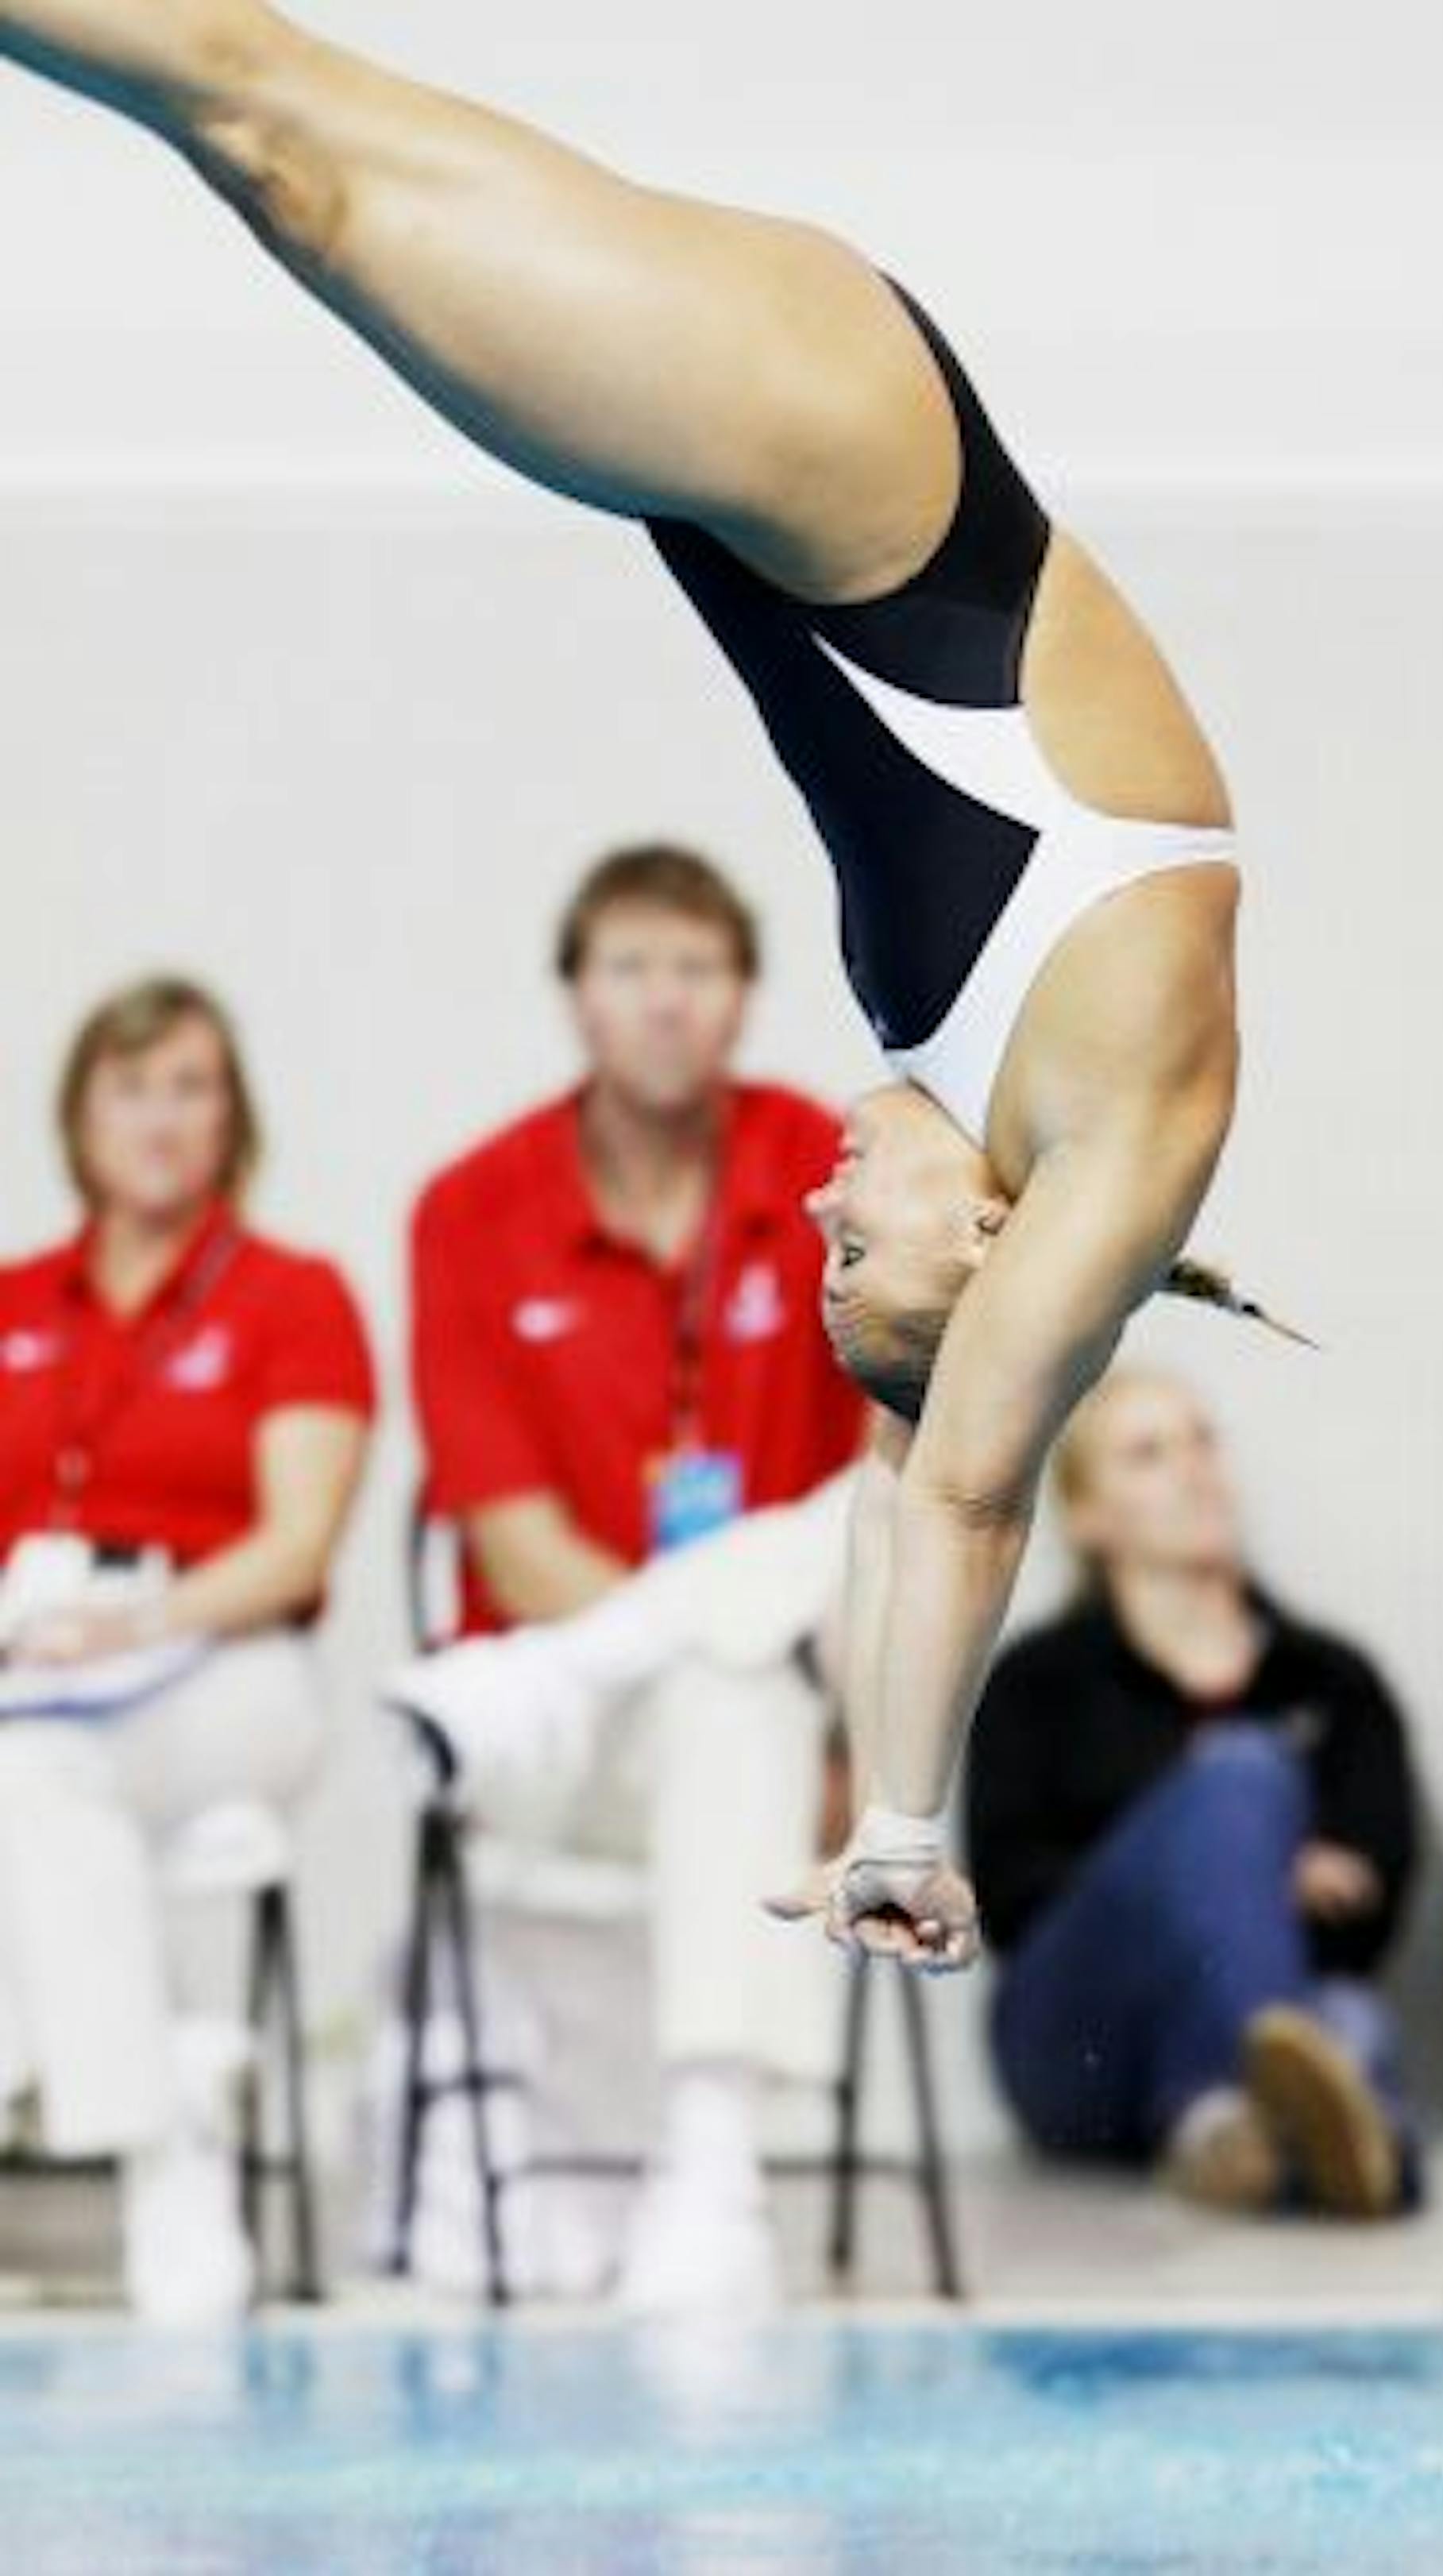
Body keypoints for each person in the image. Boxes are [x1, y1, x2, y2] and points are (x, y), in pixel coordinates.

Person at [0, 0, 1276, 1968]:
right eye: (864, 1259)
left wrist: (860, 1774)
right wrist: (906, 1826)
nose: (824, 1212)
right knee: (279, 134)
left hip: (798, 499)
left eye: (825, 1258)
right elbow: (962, 1495)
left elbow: (884, 1506)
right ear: (1004, 1251)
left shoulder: (995, 1125)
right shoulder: (1119, 1129)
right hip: (863, 485)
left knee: (278, 174)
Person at [399, 843, 865, 2313]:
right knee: (729, 1666)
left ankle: (712, 2163)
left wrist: (870, 1735)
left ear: (742, 999)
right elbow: (511, 1535)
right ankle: (713, 2168)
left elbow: (892, 1498)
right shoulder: (469, 1206)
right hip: (553, 1759)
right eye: (631, 969)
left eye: (698, 970)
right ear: (575, 999)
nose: (666, 1003)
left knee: (749, 1668)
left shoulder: (832, 1172)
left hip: (735, 1725)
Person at [0, 976, 373, 2323]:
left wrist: (134, 1623)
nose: (160, 1119)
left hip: (227, 1671)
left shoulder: (292, 1296)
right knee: (35, 1778)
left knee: (27, 1780)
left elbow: (297, 1542)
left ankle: (138, 2145)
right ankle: (175, 2086)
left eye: (190, 1087)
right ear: (77, 1114)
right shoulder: (15, 1299)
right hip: (34, 1686)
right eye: (131, 1086)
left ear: (234, 1117)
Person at [965, 1368, 1421, 2217]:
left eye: (1203, 1440)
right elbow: (1011, 1898)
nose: (1193, 1469)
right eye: (1148, 1454)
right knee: (1242, 1776)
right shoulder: (1038, 1683)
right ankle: (1296, 2124)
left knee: (1356, 2018)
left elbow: (1373, 1902)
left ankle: (1229, 2133)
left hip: (1296, 2000)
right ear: (1089, 1518)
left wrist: (1228, 1880)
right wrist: (1221, 1871)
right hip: (1079, 2046)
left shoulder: (1333, 1679)